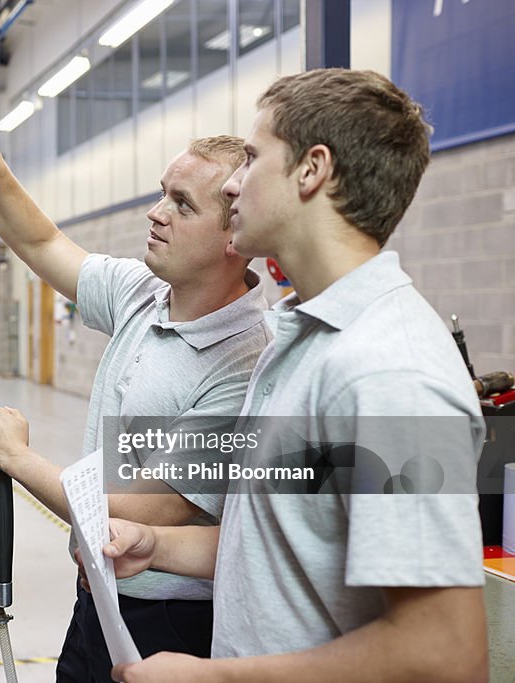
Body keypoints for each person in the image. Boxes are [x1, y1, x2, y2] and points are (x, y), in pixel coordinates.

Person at [104, 68, 488, 683]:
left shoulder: (389, 370)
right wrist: (160, 546)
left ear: (312, 169)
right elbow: (289, 539)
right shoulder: (298, 336)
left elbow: (444, 654)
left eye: (252, 157)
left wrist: (214, 676)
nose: (232, 184)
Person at [0, 84, 270, 682]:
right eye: (161, 194)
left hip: (170, 619)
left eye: (182, 205)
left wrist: (17, 459)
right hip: (100, 597)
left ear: (236, 234)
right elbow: (41, 241)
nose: (156, 213)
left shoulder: (244, 362)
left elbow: (131, 510)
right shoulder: (144, 293)